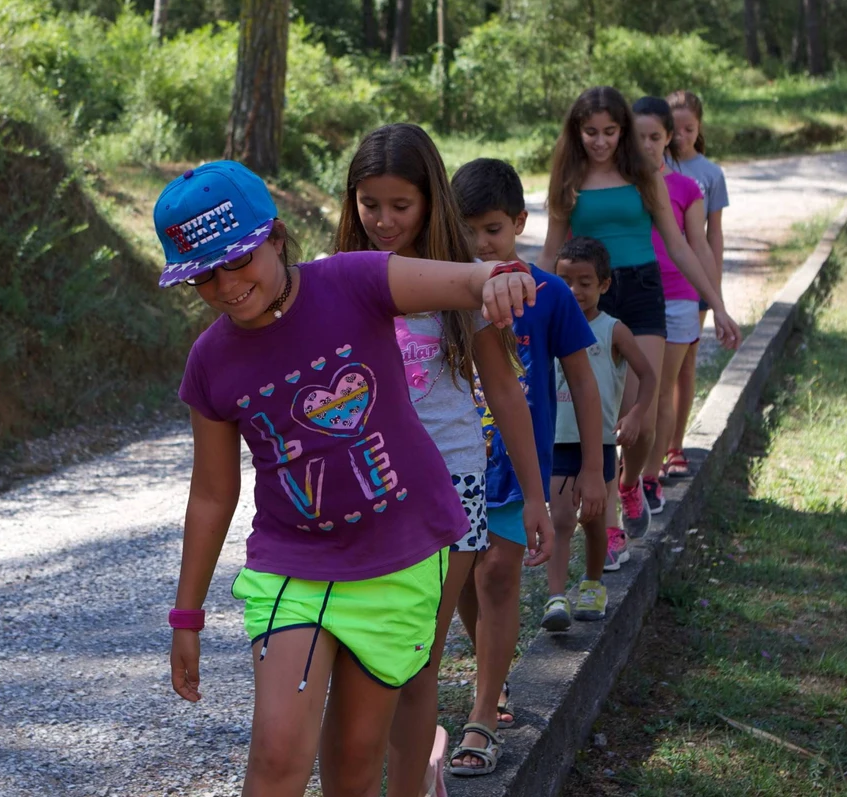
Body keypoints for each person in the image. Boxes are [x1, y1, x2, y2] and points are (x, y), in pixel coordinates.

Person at [163, 159, 540, 797]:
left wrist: (495, 278)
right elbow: (211, 494)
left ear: (276, 237)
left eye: (240, 260)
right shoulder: (212, 362)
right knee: (277, 758)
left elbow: (462, 279)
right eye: (203, 276)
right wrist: (186, 614)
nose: (227, 286)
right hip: (293, 567)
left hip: (402, 559)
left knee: (355, 770)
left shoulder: (350, 281)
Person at [333, 126, 552, 795]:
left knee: (418, 660)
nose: (384, 219)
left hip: (451, 485)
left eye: (401, 204)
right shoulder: (335, 277)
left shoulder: (463, 286)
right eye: (370, 203)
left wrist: (537, 497)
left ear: (430, 202)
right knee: (367, 657)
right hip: (368, 487)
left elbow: (507, 392)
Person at [447, 157, 604, 775]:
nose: (480, 244)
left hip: (518, 471)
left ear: (519, 222)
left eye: (492, 229)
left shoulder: (551, 294)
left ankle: (482, 718)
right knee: (460, 581)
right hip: (454, 469)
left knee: (496, 578)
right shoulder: (443, 294)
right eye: (467, 231)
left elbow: (584, 387)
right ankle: (493, 670)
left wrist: (591, 469)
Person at [539, 86, 740, 544]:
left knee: (641, 418)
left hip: (644, 291)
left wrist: (718, 303)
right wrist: (526, 301)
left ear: (623, 131)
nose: (600, 141)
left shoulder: (644, 172)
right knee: (607, 414)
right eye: (590, 132)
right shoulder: (568, 178)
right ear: (576, 132)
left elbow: (679, 244)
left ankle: (630, 485)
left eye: (610, 131)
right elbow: (552, 249)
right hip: (589, 299)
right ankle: (610, 528)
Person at [541, 236, 656, 630]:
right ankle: (556, 597)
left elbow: (648, 374)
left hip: (600, 444)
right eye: (565, 281)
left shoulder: (612, 331)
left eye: (585, 282)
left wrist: (637, 414)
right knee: (559, 519)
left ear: (604, 285)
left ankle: (592, 584)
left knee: (592, 520)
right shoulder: (548, 327)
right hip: (556, 440)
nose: (575, 291)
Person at [631, 95, 714, 515]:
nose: (646, 145)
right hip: (629, 296)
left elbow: (697, 246)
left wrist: (715, 301)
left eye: (655, 137)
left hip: (679, 298)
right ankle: (626, 478)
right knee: (629, 395)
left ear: (667, 139)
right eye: (638, 136)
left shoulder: (687, 187)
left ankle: (649, 477)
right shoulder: (619, 184)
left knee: (661, 390)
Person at [657, 90, 731, 490]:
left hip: (695, 281)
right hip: (658, 281)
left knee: (685, 364)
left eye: (690, 128)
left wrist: (713, 287)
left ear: (699, 128)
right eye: (676, 128)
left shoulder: (710, 174)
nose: (682, 136)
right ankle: (648, 446)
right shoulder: (651, 167)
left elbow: (712, 236)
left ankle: (675, 447)